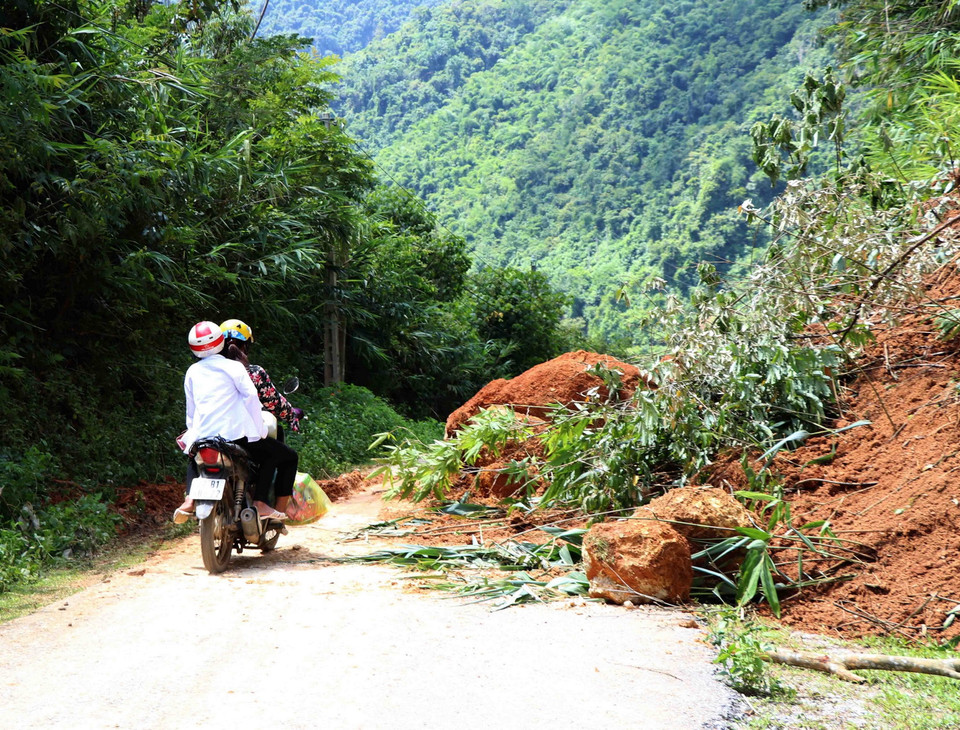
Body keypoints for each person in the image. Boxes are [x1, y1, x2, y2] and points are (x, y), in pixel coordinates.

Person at [173, 321, 294, 523]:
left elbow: (191, 410)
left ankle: (189, 499)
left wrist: (193, 432)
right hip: (236, 436)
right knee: (278, 455)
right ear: (220, 342)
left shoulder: (192, 371)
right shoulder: (236, 368)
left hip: (205, 436)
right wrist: (259, 430)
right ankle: (262, 504)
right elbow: (252, 398)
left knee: (194, 454)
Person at [218, 318, 300, 519]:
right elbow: (274, 403)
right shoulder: (251, 372)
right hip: (239, 433)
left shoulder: (207, 370)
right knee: (285, 456)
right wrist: (292, 415)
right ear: (244, 345)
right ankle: (273, 510)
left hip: (211, 432)